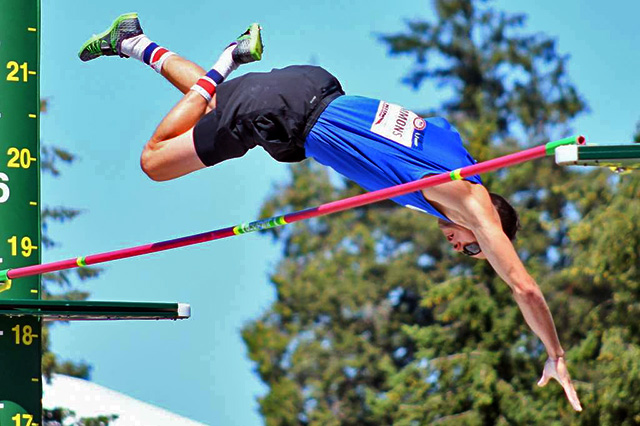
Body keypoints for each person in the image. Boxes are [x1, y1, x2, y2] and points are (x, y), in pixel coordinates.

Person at [79, 13, 582, 411]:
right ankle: (226, 59)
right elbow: (524, 286)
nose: (461, 247)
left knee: (213, 107)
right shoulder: (467, 199)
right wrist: (555, 354)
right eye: (472, 247)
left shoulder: (453, 151)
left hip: (310, 88)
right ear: (486, 224)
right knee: (155, 161)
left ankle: (133, 42)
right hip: (285, 114)